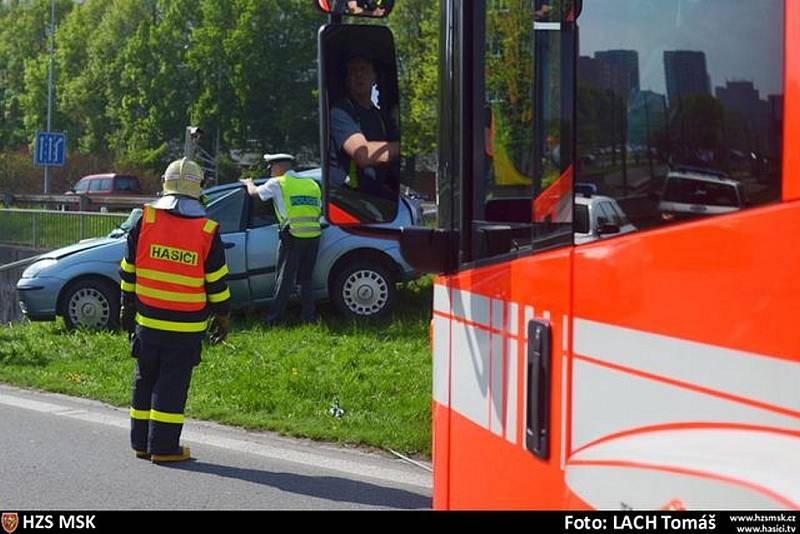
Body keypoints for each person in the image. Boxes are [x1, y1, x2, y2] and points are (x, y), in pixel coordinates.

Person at [119, 157, 230, 463]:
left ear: (164, 186)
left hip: (148, 321)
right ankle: (165, 448)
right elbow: (217, 282)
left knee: (145, 380)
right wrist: (222, 316)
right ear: (199, 190)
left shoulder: (145, 220)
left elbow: (129, 269)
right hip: (185, 328)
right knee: (171, 385)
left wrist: (126, 305)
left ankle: (141, 443)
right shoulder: (207, 229)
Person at [241, 154, 322, 325]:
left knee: (284, 280)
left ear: (279, 167)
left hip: (292, 237)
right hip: (314, 236)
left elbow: (255, 193)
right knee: (305, 279)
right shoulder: (311, 184)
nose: (270, 171)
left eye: (271, 167)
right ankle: (309, 318)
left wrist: (248, 183)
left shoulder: (278, 183)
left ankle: (274, 319)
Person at [329, 55, 400, 197]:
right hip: (348, 199)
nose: (359, 75)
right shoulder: (340, 112)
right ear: (347, 81)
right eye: (353, 71)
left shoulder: (379, 116)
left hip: (375, 197)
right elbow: (364, 155)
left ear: (374, 78)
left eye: (364, 69)